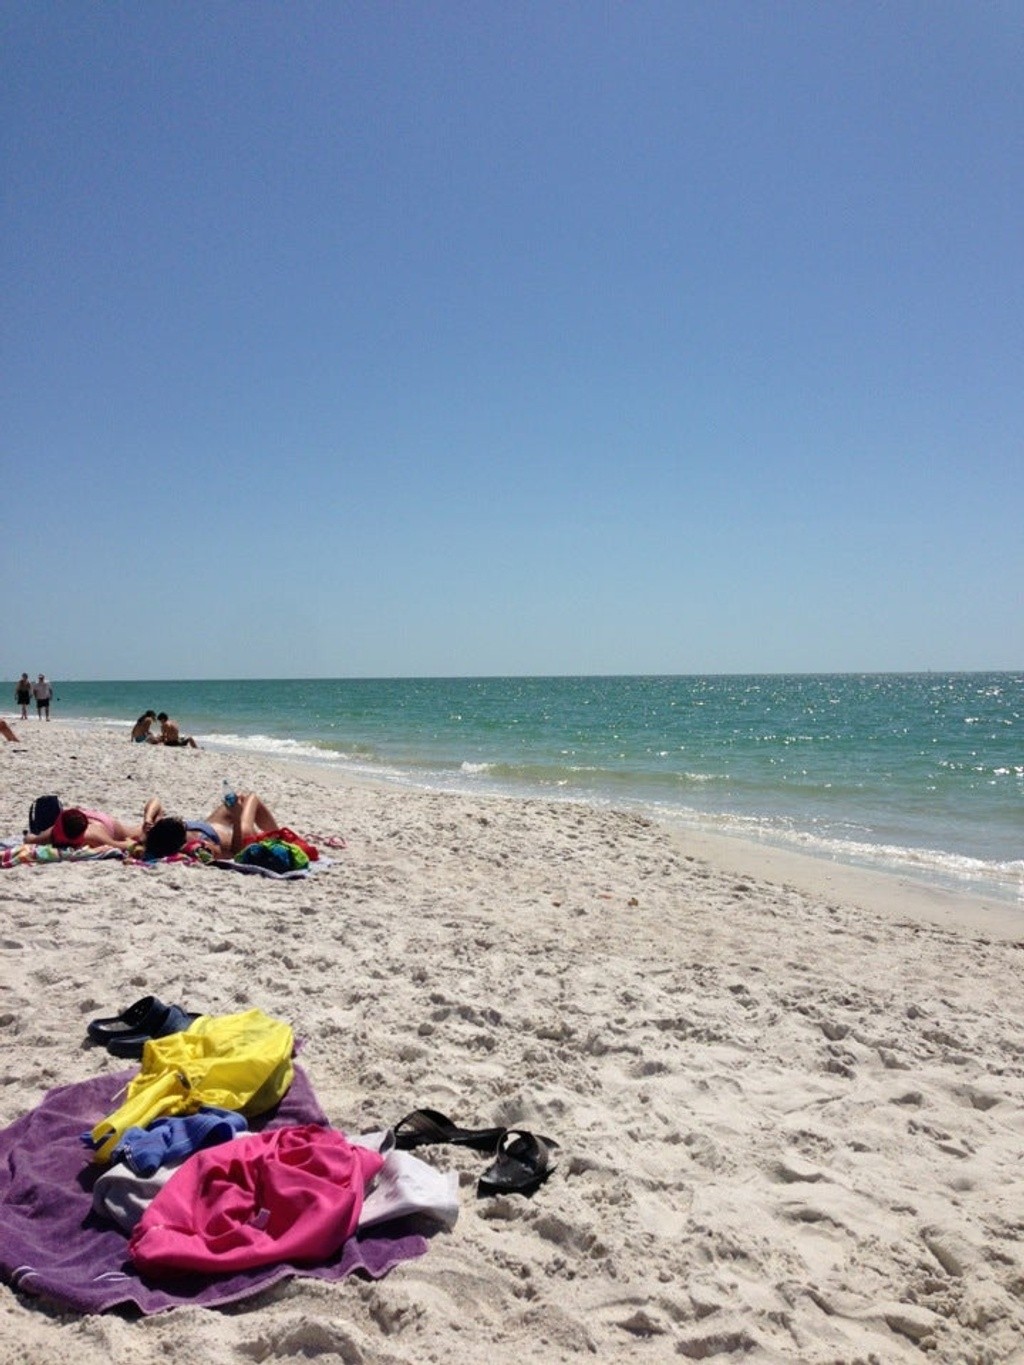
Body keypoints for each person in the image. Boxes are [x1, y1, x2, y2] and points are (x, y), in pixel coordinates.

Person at [142, 792, 281, 859]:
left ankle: (277, 835)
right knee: (252, 798)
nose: (183, 822)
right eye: (182, 824)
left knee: (239, 797)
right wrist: (237, 818)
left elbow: (155, 801)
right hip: (239, 836)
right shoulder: (199, 846)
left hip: (211, 825)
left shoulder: (157, 834)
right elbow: (235, 852)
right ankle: (279, 836)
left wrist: (148, 818)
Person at [25, 807, 142, 851]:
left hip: (103, 823)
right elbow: (29, 839)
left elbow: (120, 845)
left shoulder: (93, 835)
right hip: (80, 817)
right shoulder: (54, 833)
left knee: (134, 833)